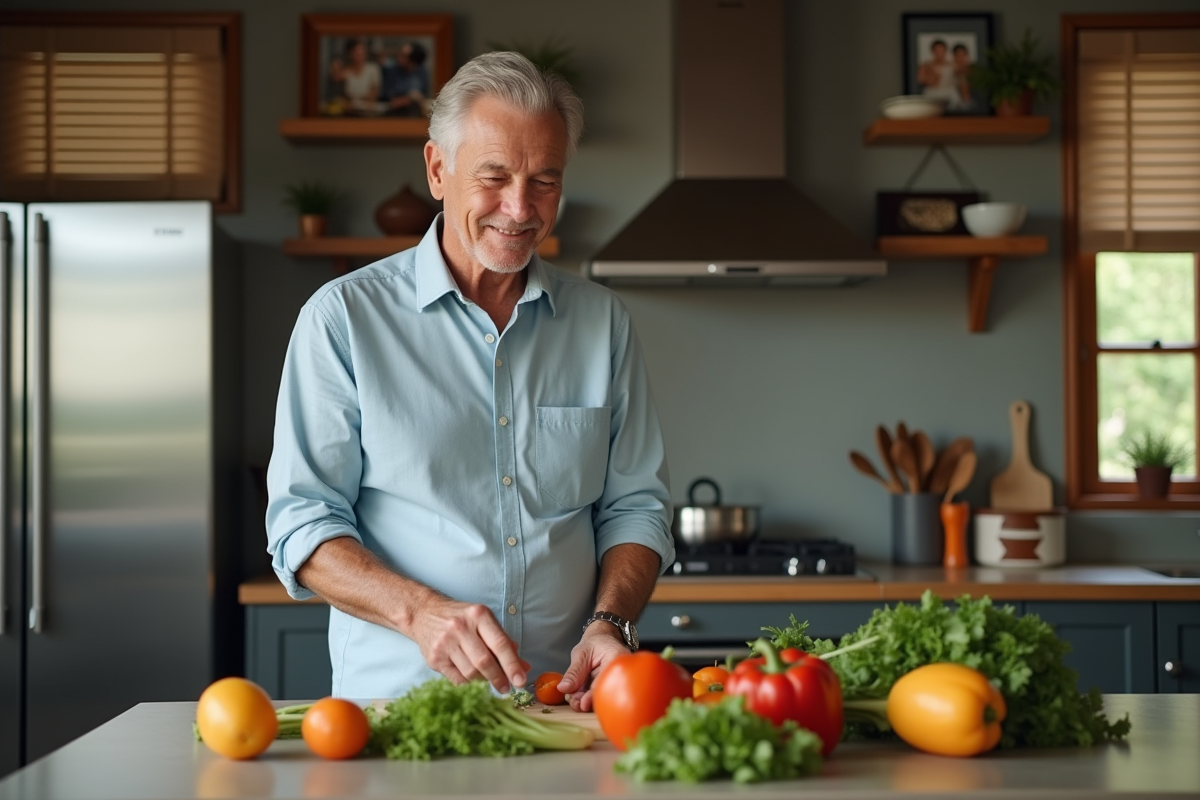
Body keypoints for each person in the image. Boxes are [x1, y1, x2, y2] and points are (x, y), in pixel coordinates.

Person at [265, 51, 674, 711]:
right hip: (402, 715)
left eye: (545, 179)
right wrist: (417, 611)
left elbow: (635, 507)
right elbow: (301, 526)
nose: (519, 207)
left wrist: (612, 621)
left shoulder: (601, 323)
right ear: (437, 169)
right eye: (495, 176)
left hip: (564, 708)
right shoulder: (342, 320)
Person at [380, 41, 431, 117]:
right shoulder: (392, 71)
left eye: (404, 56)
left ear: (413, 62)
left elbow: (422, 97)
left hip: (414, 116)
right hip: (393, 115)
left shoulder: (421, 73)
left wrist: (407, 100)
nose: (399, 58)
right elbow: (387, 97)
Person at [335, 38, 381, 114]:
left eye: (363, 51)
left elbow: (373, 94)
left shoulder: (373, 69)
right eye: (357, 52)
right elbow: (341, 97)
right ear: (350, 54)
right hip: (349, 113)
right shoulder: (345, 72)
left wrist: (355, 101)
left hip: (368, 113)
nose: (361, 54)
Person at [917, 39, 957, 106]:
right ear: (933, 51)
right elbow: (921, 79)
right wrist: (931, 78)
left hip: (949, 93)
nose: (939, 53)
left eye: (941, 50)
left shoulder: (952, 65)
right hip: (932, 93)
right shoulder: (926, 65)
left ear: (945, 51)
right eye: (937, 50)